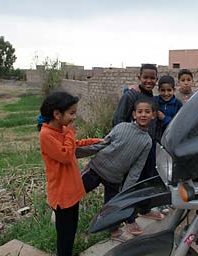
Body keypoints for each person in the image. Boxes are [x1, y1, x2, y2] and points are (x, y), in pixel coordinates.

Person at [79, 98, 155, 241]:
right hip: (97, 168)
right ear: (134, 114)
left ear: (153, 115)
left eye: (147, 112)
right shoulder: (121, 127)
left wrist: (125, 192)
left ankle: (114, 231)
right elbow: (102, 144)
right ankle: (60, 211)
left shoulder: (147, 142)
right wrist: (78, 152)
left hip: (114, 178)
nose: (143, 115)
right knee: (76, 190)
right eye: (140, 112)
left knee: (113, 207)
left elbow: (135, 170)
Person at [38, 91, 101, 256]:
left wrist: (97, 141)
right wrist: (70, 132)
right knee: (64, 235)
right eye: (71, 113)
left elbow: (75, 145)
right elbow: (66, 155)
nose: (74, 117)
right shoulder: (46, 135)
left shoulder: (62, 130)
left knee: (71, 229)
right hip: (61, 194)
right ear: (57, 114)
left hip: (71, 191)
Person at [112, 63, 164, 235]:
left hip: (150, 147)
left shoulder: (153, 99)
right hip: (134, 149)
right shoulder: (131, 96)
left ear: (156, 79)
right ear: (139, 78)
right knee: (132, 182)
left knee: (147, 179)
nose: (149, 81)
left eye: (152, 78)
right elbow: (118, 121)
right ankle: (129, 218)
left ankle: (145, 208)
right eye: (145, 77)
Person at [155, 75, 183, 140]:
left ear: (174, 90)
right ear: (158, 90)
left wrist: (164, 118)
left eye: (169, 90)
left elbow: (179, 124)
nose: (166, 93)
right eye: (163, 90)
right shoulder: (154, 101)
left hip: (172, 138)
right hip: (156, 138)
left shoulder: (178, 104)